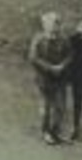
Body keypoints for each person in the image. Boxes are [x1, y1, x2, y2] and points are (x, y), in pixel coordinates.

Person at [28, 11, 72, 145]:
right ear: (45, 25)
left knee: (60, 107)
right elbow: (33, 58)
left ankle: (56, 131)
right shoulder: (39, 39)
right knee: (46, 107)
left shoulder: (64, 39)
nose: (55, 27)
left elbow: (70, 55)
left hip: (60, 79)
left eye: (57, 24)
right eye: (52, 24)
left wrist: (62, 66)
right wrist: (50, 67)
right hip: (44, 79)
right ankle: (45, 131)